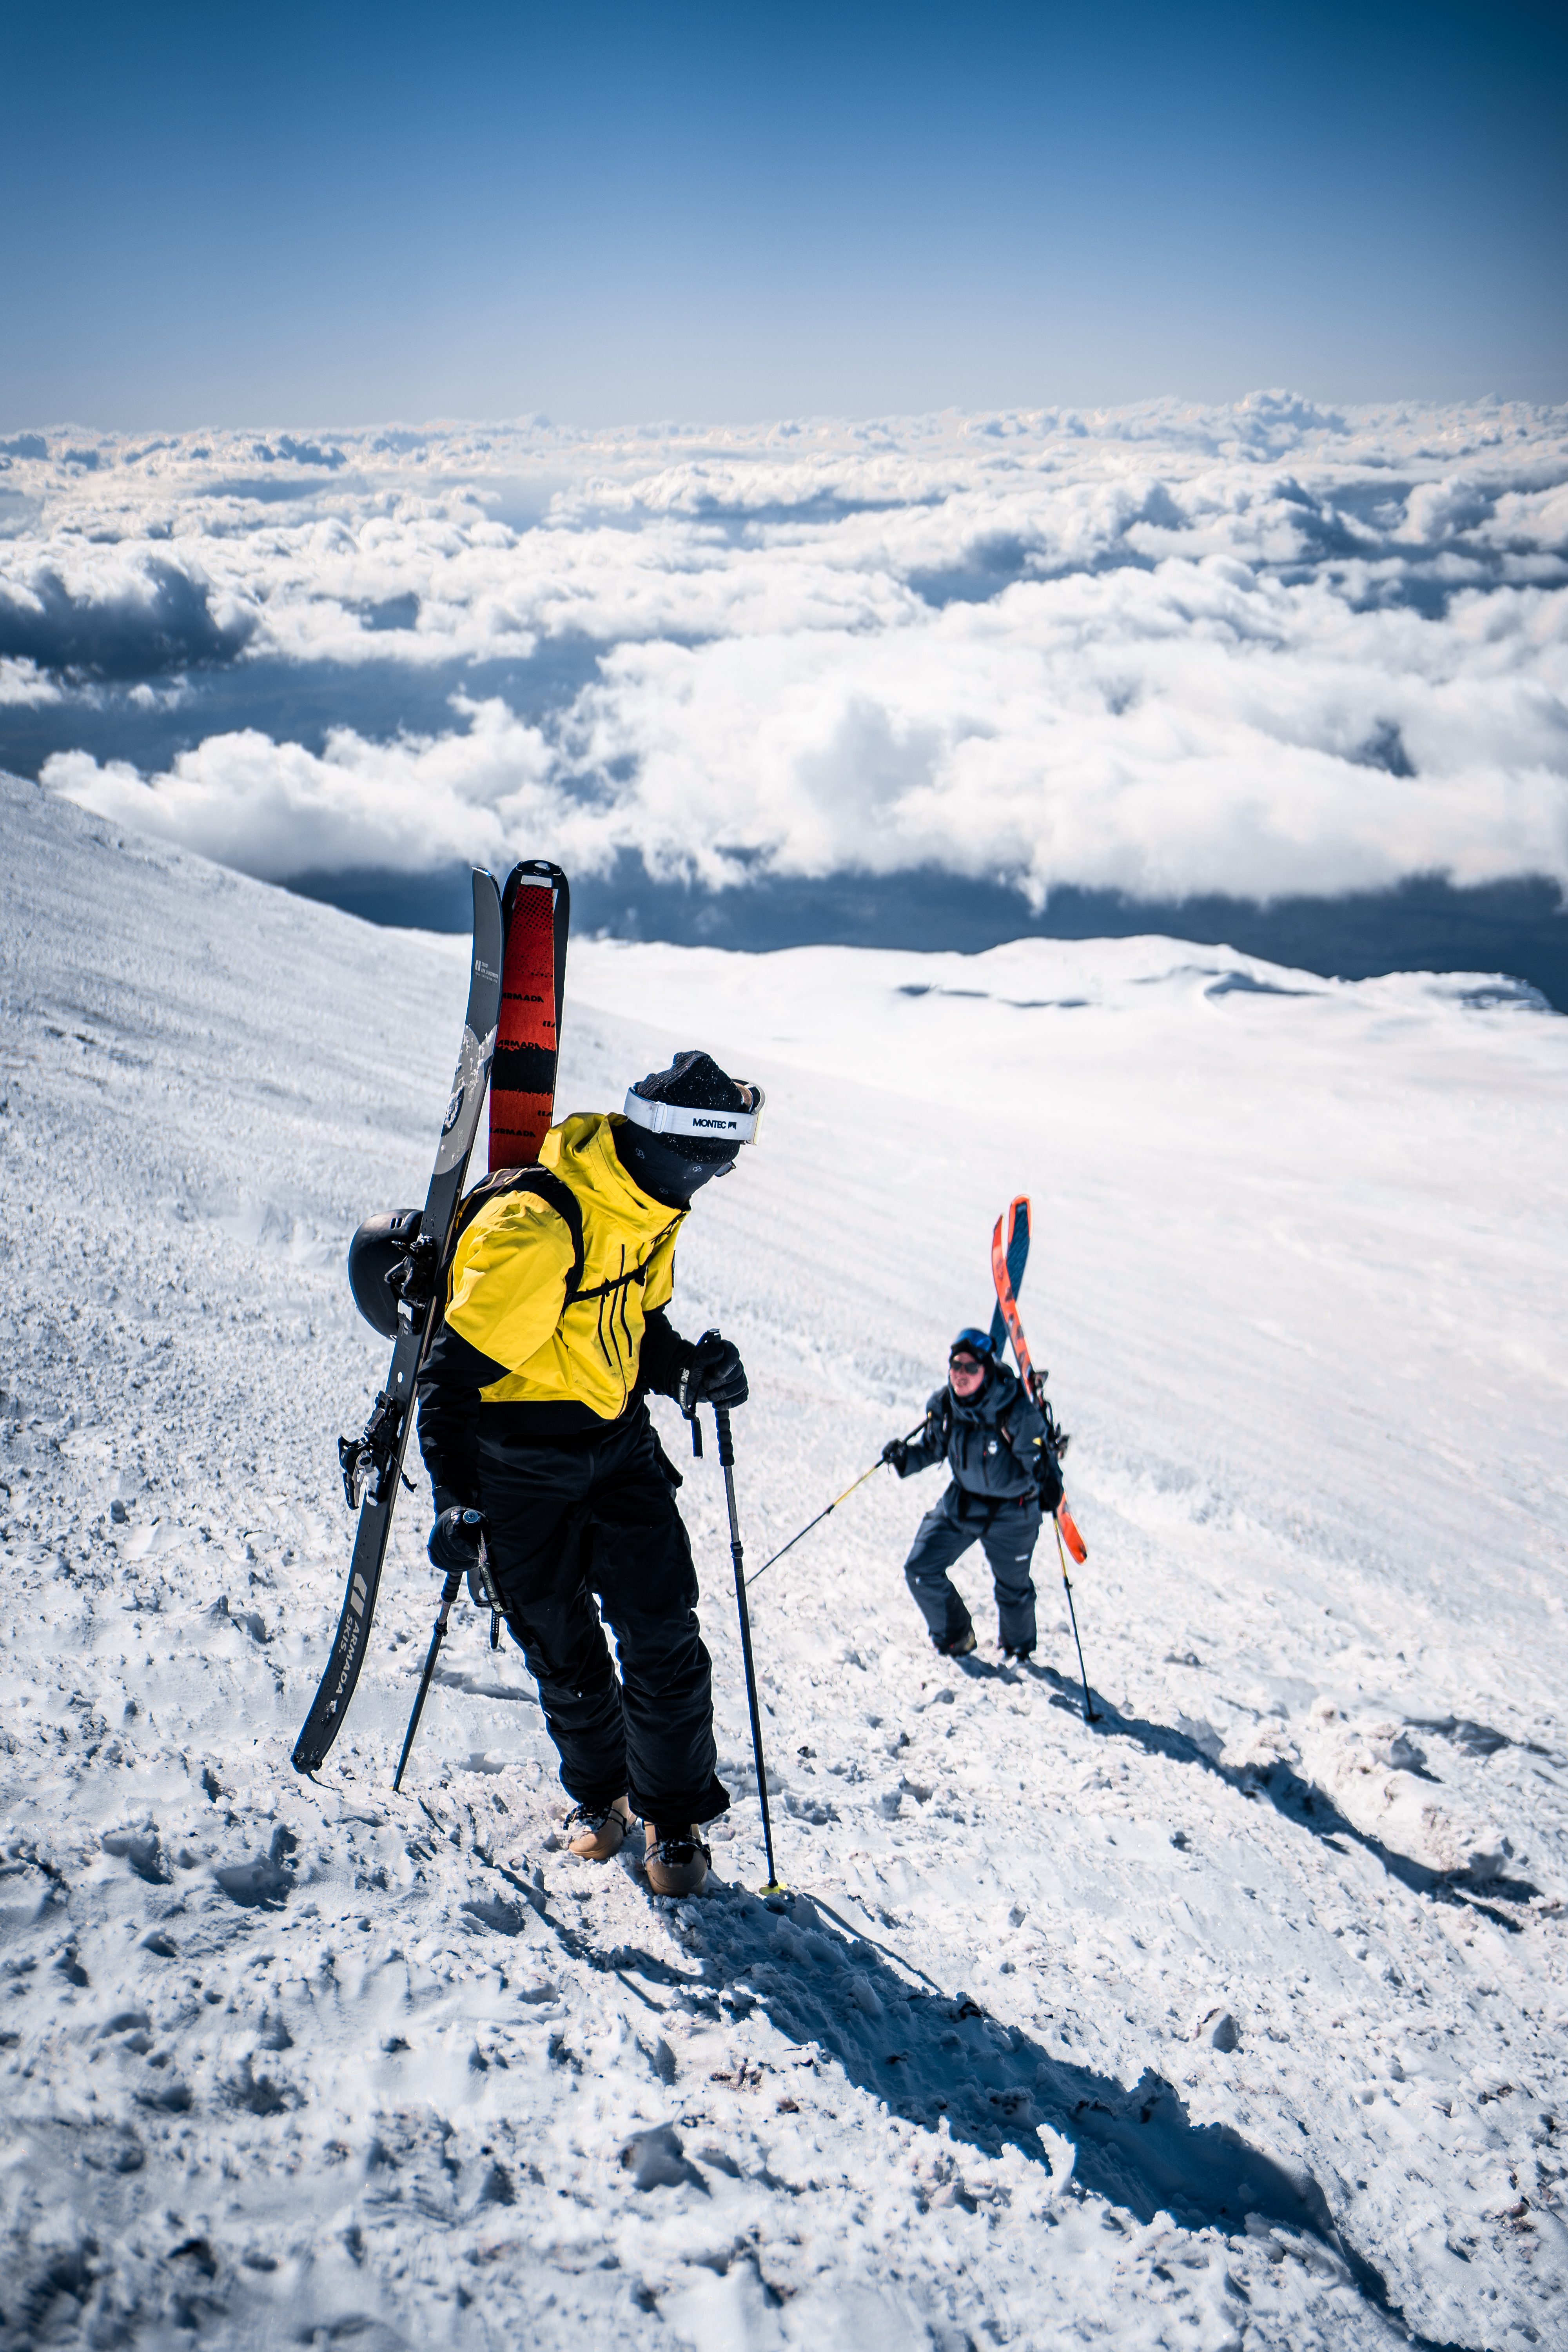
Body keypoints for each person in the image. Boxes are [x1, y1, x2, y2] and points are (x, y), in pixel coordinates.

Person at [415, 1049, 762, 1897]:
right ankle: (602, 1798)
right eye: (709, 1165)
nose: (711, 1182)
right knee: (560, 1646)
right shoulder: (537, 1228)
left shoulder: (650, 1211)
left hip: (617, 1447)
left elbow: (635, 1331)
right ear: (674, 1152)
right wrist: (456, 1502)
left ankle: (672, 1822)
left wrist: (690, 1372)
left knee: (662, 1633)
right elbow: (449, 1380)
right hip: (517, 1464)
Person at [882, 1328, 1060, 1661]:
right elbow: (934, 1448)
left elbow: (1042, 1460)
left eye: (971, 1368)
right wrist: (906, 1457)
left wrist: (1051, 1485)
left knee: (1013, 1590)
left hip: (1014, 1512)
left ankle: (1019, 1652)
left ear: (986, 1370)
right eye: (956, 1366)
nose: (961, 1375)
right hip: (962, 1503)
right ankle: (955, 1639)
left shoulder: (1017, 1412)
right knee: (921, 1569)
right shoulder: (946, 1406)